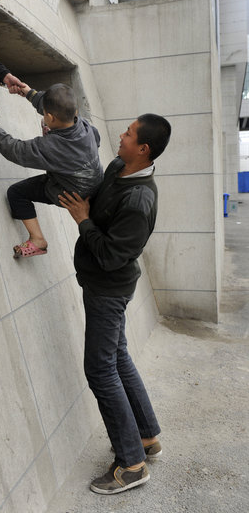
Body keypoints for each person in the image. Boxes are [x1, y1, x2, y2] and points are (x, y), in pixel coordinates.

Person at [59, 114, 171, 495]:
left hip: (109, 289)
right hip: (101, 285)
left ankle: (131, 464)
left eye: (128, 133)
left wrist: (83, 220)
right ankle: (146, 438)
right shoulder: (118, 167)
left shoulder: (140, 200)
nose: (120, 136)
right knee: (118, 357)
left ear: (144, 149)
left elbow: (110, 256)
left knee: (100, 369)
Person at [0, 83, 103, 258]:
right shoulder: (85, 125)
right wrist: (30, 93)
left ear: (50, 117)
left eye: (45, 114)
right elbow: (96, 141)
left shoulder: (52, 147)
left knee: (16, 193)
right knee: (50, 133)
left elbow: (17, 150)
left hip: (70, 194)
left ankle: (38, 240)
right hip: (94, 183)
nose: (44, 115)